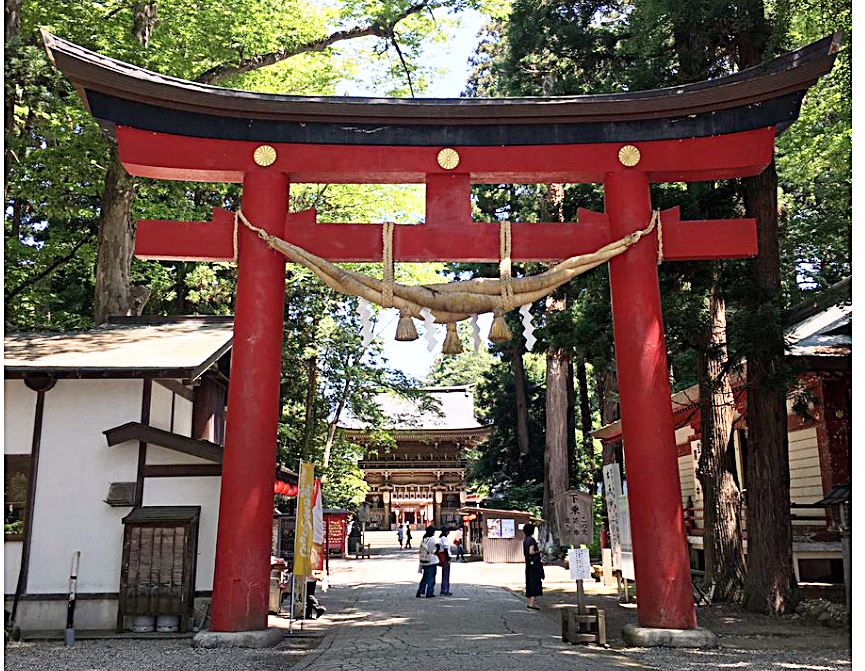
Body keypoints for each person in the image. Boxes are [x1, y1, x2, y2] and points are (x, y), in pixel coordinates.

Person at [522, 522, 544, 610]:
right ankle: (531, 604)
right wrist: (539, 551)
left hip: (528, 564)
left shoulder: (525, 540)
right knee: (534, 582)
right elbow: (531, 552)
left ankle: (531, 602)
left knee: (529, 582)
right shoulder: (531, 540)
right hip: (534, 564)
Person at [416, 526, 440, 598]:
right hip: (431, 560)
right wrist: (438, 548)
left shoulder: (424, 538)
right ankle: (429, 592)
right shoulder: (432, 539)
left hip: (424, 560)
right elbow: (433, 548)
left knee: (425, 577)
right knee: (431, 577)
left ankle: (420, 591)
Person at [437, 528, 452, 595]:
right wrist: (448, 558)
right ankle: (445, 589)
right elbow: (446, 548)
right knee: (446, 574)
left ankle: (444, 589)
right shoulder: (444, 538)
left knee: (445, 573)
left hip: (444, 556)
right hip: (445, 557)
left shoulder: (441, 538)